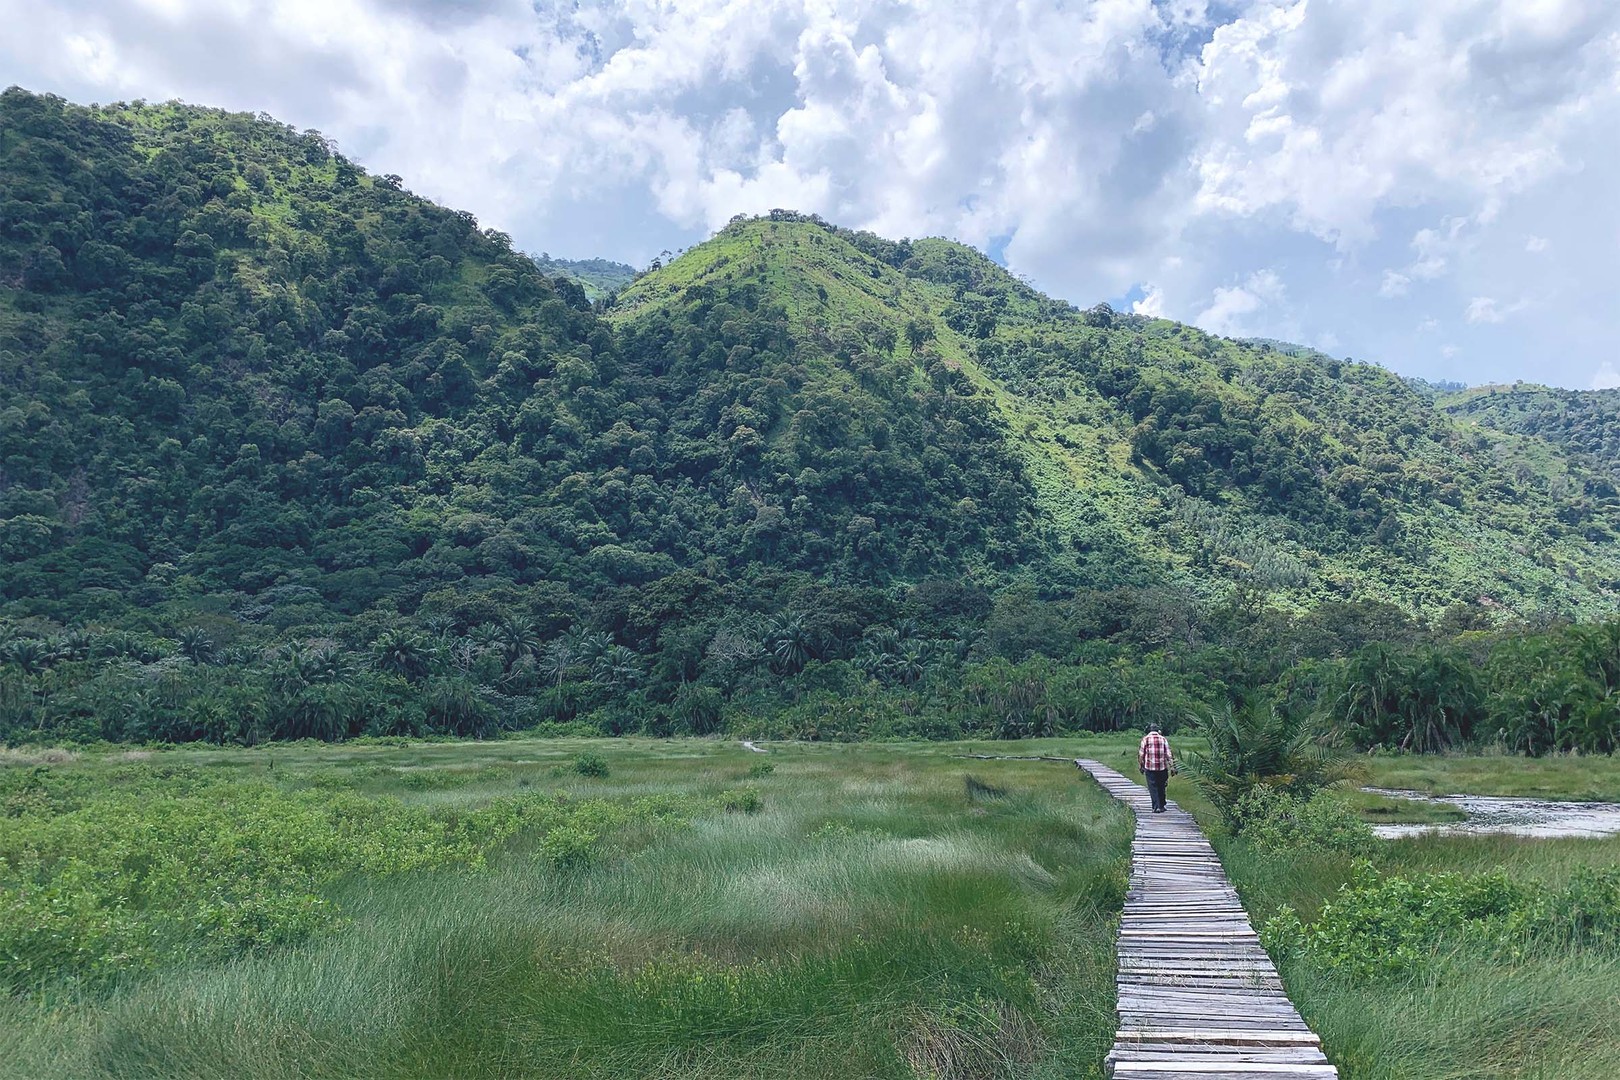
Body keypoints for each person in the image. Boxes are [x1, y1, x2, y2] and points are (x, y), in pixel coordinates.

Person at [1138, 721, 1173, 813]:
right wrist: (1172, 766)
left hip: (1150, 767)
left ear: (1149, 730)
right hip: (1162, 767)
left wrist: (1141, 765)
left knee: (1153, 786)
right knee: (1161, 786)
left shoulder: (1145, 739)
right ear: (1158, 730)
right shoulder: (1163, 739)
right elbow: (1168, 754)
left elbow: (1141, 754)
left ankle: (1156, 806)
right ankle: (1161, 805)